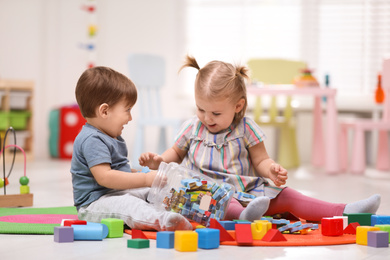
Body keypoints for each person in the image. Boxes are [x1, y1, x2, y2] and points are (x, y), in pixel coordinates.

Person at [139, 55, 381, 222]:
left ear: (238, 106)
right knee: (219, 202)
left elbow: (261, 160)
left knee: (288, 196)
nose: (206, 118)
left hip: (247, 194)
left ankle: (346, 211)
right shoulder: (192, 127)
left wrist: (271, 169)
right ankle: (243, 218)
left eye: (215, 113)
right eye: (201, 109)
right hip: (203, 198)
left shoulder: (246, 128)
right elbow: (175, 153)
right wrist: (159, 159)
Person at [70, 66, 192, 231]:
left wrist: (144, 176)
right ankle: (163, 221)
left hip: (115, 194)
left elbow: (120, 170)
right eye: (127, 110)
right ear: (104, 111)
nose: (130, 118)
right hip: (94, 204)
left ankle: (184, 207)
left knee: (152, 192)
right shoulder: (92, 139)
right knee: (130, 205)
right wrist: (145, 179)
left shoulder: (111, 136)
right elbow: (105, 177)